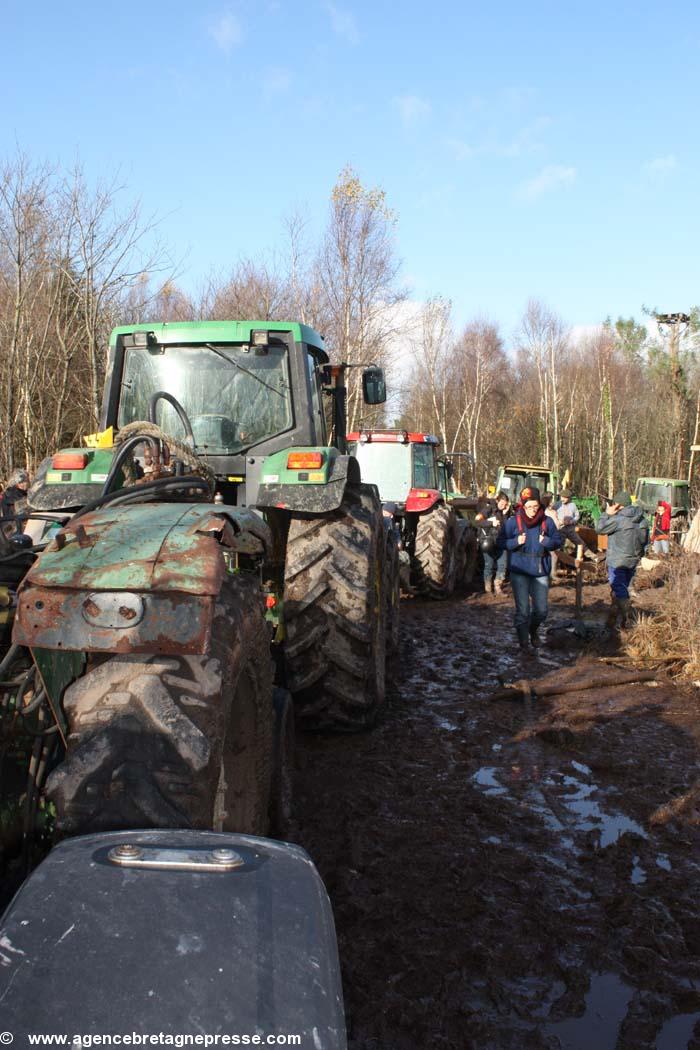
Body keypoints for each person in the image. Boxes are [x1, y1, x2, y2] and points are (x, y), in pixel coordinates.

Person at [497, 486, 561, 651]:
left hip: (540, 571)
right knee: (523, 611)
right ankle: (524, 642)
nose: (532, 510)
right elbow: (500, 542)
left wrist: (546, 542)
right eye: (528, 507)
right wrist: (515, 542)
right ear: (522, 505)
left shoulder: (547, 522)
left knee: (541, 611)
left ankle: (533, 631)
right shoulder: (512, 522)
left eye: (535, 506)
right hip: (519, 571)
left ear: (540, 505)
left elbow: (558, 541)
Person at [596, 491, 649, 628]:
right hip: (633, 560)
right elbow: (645, 541)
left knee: (619, 588)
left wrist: (606, 514)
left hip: (617, 560)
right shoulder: (642, 518)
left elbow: (599, 529)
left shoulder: (618, 519)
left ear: (618, 505)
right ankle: (613, 616)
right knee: (622, 587)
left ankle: (628, 617)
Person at [478, 490, 512, 595]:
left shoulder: (505, 513)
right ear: (497, 501)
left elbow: (506, 527)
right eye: (502, 503)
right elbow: (477, 521)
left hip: (501, 542)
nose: (503, 506)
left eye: (505, 504)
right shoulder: (488, 509)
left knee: (502, 565)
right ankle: (488, 589)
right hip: (489, 542)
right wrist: (490, 523)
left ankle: (498, 588)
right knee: (489, 565)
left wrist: (506, 515)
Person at [0, 469, 30, 533]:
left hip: (22, 525)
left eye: (26, 481)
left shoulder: (25, 493)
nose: (24, 484)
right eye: (21, 482)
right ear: (16, 483)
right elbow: (19, 509)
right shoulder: (10, 494)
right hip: (11, 528)